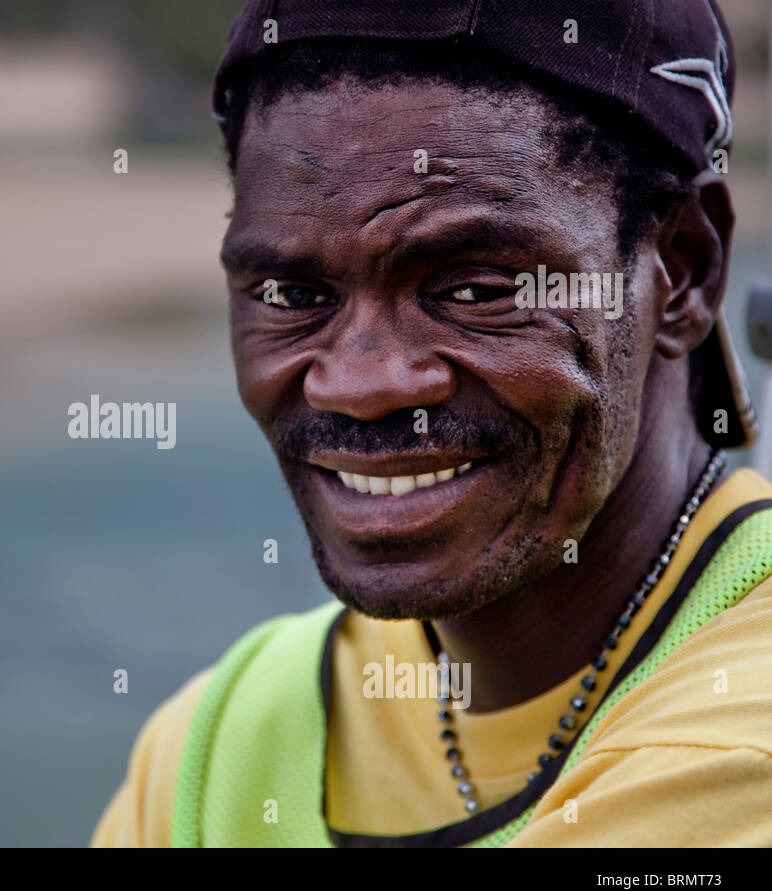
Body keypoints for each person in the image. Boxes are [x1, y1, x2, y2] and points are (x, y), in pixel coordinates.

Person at [92, 0, 772, 847]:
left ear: (685, 271)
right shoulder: (224, 736)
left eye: (477, 290)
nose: (363, 386)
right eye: (296, 297)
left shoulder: (740, 751)